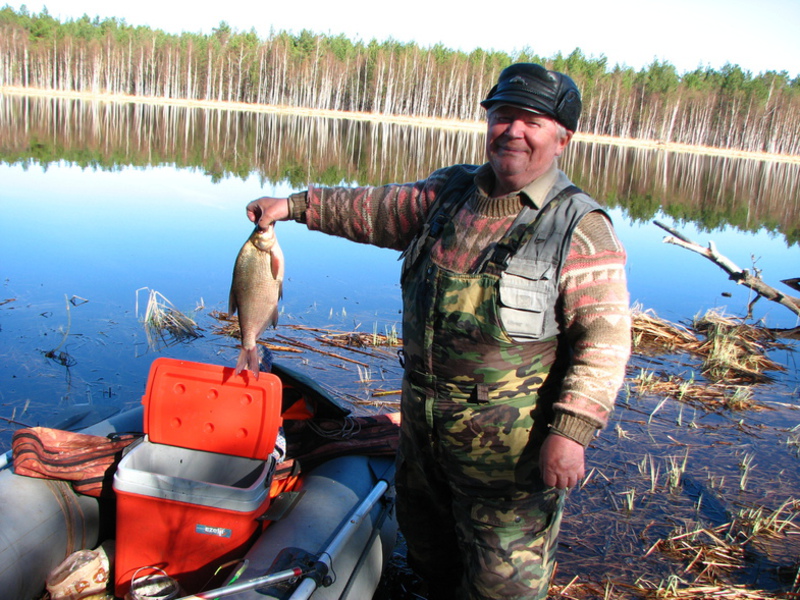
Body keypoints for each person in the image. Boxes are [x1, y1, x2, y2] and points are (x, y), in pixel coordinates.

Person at [246, 63, 631, 600]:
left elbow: (604, 342)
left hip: (509, 458)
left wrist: (570, 432)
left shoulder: (579, 227)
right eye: (502, 117)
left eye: (531, 121)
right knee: (429, 557)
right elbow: (372, 209)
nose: (512, 131)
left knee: (504, 586)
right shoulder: (450, 194)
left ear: (562, 137)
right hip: (423, 433)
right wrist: (294, 206)